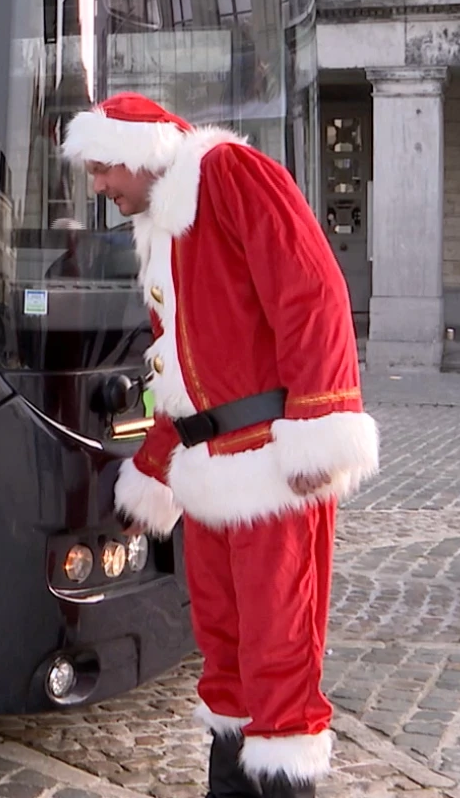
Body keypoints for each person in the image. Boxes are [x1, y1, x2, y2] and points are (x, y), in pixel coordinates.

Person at [63, 93, 378, 798]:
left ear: (137, 153)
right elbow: (184, 379)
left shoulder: (230, 172)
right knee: (227, 651)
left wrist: (320, 430)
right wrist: (151, 475)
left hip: (270, 462)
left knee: (280, 652)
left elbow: (312, 293)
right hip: (211, 469)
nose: (100, 188)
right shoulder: (164, 233)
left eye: (102, 170)